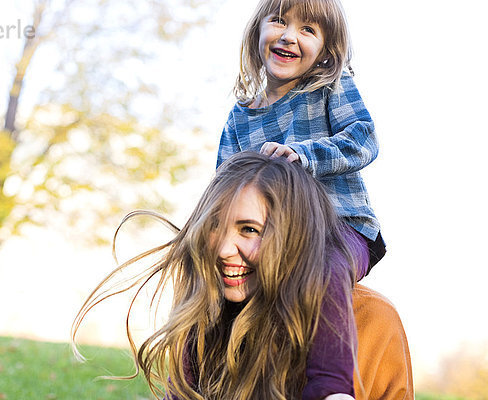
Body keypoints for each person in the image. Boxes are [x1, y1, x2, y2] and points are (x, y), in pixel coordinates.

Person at [73, 152, 364, 399]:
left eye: (250, 229)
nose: (224, 250)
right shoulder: (205, 312)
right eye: (214, 226)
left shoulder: (366, 318)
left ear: (291, 237)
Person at [217, 0, 386, 272]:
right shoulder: (240, 117)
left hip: (339, 228)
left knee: (314, 277)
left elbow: (363, 138)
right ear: (256, 32)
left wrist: (304, 155)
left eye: (307, 29)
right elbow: (224, 188)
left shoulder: (330, 86)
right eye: (279, 21)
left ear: (324, 51)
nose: (288, 36)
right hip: (273, 239)